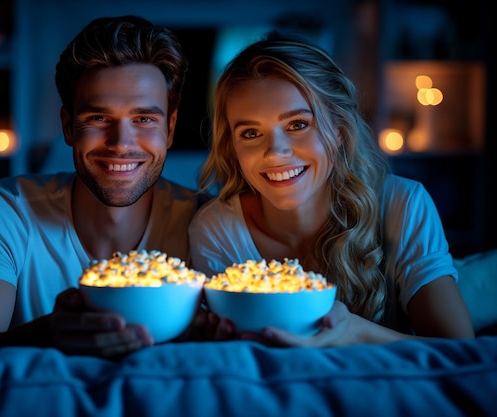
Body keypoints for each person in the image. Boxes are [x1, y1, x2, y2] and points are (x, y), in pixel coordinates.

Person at [0, 15, 207, 358]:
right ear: (68, 127)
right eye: (98, 118)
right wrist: (48, 334)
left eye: (143, 119)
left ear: (169, 129)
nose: (121, 143)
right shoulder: (5, 210)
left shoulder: (207, 222)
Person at [189, 32, 475, 347]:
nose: (274, 152)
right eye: (251, 133)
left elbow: (460, 351)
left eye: (297, 125)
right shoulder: (217, 229)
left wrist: (357, 332)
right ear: (232, 147)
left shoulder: (403, 205)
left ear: (339, 129)